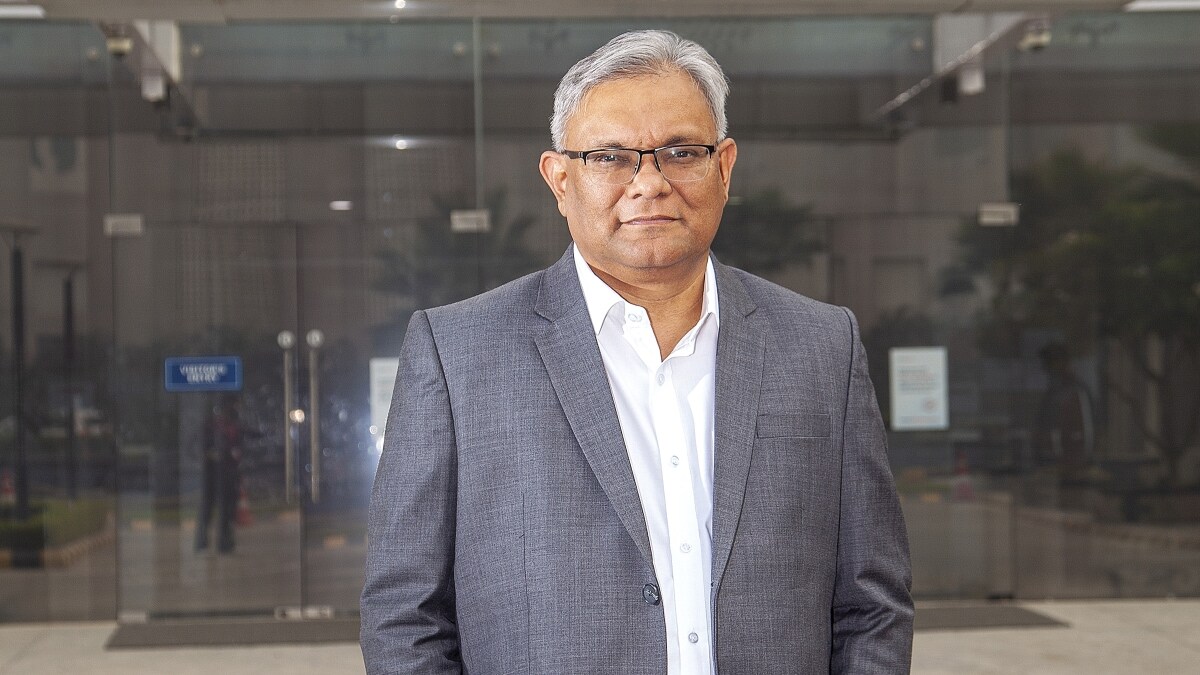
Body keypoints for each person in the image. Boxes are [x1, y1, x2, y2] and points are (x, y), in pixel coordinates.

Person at [362, 30, 912, 674]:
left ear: (724, 167)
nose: (649, 182)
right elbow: (404, 615)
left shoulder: (821, 347)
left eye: (681, 151)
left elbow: (873, 606)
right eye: (609, 157)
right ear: (560, 179)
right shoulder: (458, 354)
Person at [195, 393, 242, 554]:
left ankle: (224, 542)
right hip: (213, 472)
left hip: (228, 474)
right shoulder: (212, 426)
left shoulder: (233, 426)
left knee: (227, 510)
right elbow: (201, 445)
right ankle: (203, 541)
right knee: (208, 508)